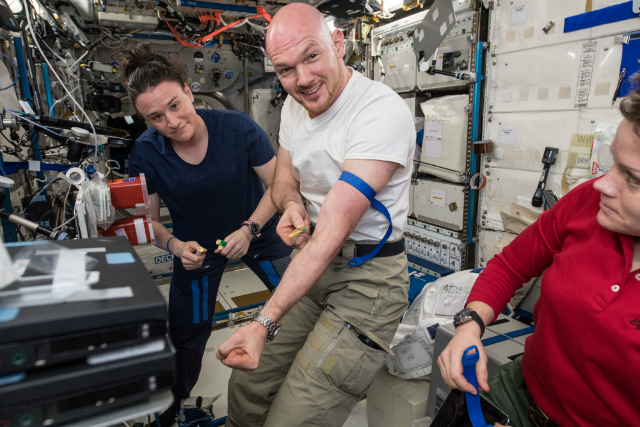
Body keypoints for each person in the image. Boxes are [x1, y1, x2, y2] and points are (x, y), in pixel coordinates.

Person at [215, 4, 416, 426]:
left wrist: (262, 322)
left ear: (337, 44)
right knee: (248, 388)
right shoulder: (294, 108)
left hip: (368, 283)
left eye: (311, 57)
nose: (302, 80)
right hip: (315, 268)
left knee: (295, 416)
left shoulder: (379, 111)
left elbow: (331, 233)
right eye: (286, 70)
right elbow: (283, 180)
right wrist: (291, 205)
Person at [437, 83, 640, 427]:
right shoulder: (587, 204)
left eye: (632, 178)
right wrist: (469, 326)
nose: (604, 184)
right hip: (518, 394)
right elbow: (511, 265)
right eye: (613, 164)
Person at [117, 44, 293, 427]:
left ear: (188, 89)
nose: (171, 122)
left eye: (175, 105)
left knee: (299, 305)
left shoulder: (237, 127)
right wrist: (176, 246)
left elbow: (278, 187)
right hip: (197, 250)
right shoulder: (146, 152)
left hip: (257, 234)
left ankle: (299, 388)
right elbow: (149, 223)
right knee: (187, 336)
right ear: (145, 120)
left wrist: (250, 228)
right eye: (156, 117)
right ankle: (169, 412)